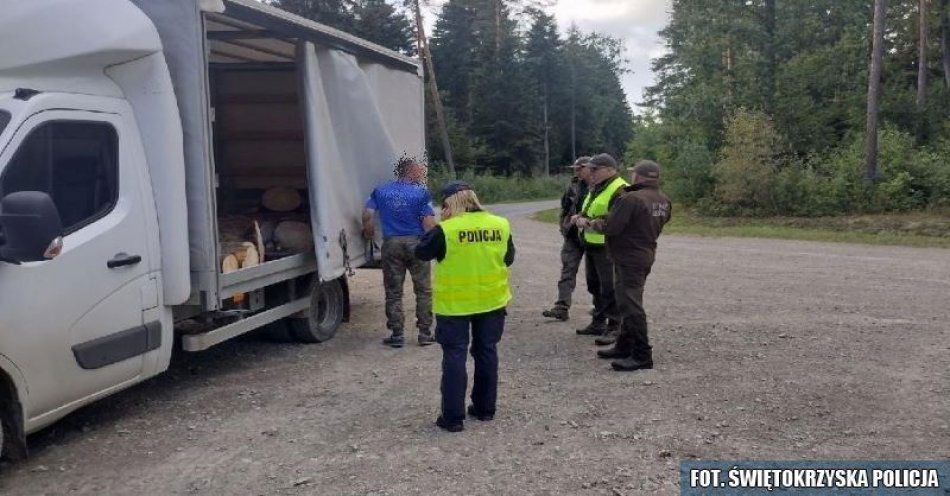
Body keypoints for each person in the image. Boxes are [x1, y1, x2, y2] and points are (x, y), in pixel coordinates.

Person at [415, 181, 515, 432]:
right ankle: (485, 409)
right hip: (492, 302)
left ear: (450, 204)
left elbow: (421, 253)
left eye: (444, 205)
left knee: (454, 356)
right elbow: (509, 258)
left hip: (455, 307)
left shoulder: (445, 230)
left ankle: (453, 418)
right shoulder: (500, 224)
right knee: (486, 352)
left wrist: (433, 227)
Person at [582, 160, 672, 371]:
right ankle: (624, 345)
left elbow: (611, 227)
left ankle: (642, 354)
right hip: (645, 252)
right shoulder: (663, 200)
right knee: (626, 301)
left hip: (628, 257)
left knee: (631, 305)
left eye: (633, 173)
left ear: (639, 176)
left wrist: (590, 222)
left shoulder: (631, 198)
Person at [362, 156, 438, 348]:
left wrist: (369, 233)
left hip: (392, 244)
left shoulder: (381, 191)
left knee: (393, 291)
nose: (422, 174)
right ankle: (424, 333)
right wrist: (433, 243)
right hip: (416, 243)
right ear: (410, 171)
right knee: (423, 290)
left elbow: (368, 215)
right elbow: (428, 222)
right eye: (420, 171)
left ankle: (397, 334)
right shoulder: (420, 192)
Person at [571, 153, 628, 344]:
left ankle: (615, 326)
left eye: (595, 169)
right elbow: (591, 209)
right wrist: (579, 216)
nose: (591, 172)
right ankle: (598, 322)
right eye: (590, 169)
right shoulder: (596, 187)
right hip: (592, 245)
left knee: (610, 287)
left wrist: (587, 223)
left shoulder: (620, 188)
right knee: (594, 285)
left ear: (610, 170)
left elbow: (618, 219)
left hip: (608, 247)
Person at [541, 157, 592, 321]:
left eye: (580, 168)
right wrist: (564, 226)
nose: (577, 171)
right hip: (572, 235)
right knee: (567, 272)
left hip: (593, 235)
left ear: (590, 168)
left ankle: (601, 310)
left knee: (596, 277)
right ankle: (561, 307)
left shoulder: (600, 186)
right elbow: (565, 208)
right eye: (576, 168)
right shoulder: (573, 186)